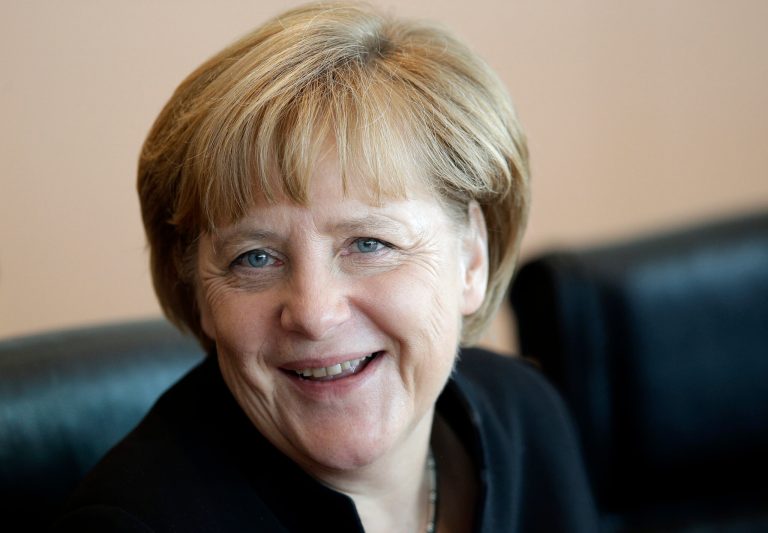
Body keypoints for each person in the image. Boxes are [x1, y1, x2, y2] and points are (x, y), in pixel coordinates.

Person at [55, 2, 597, 531]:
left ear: (471, 260)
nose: (314, 314)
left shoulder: (528, 418)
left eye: (368, 244)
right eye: (255, 257)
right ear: (196, 292)